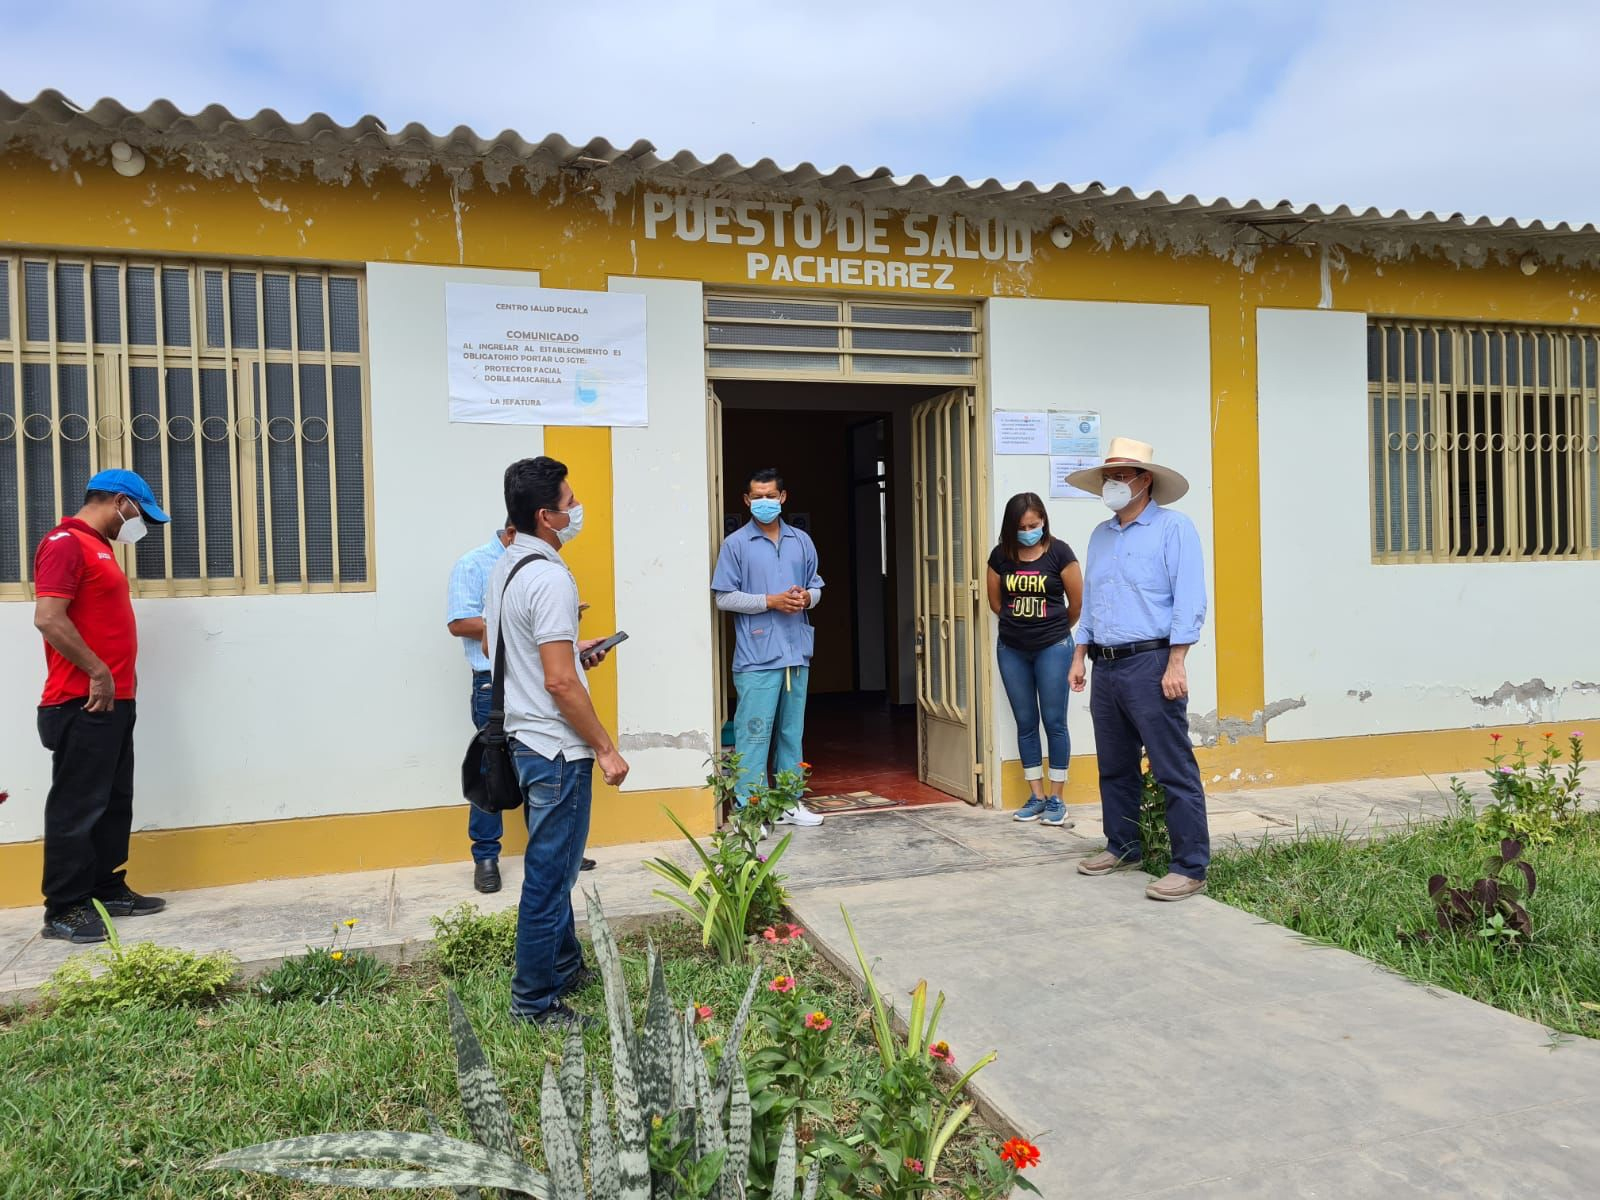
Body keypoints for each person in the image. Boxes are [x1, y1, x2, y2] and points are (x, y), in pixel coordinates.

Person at [487, 456, 627, 1026]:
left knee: (560, 866)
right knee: (548, 878)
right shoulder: (548, 577)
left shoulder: (510, 564)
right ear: (546, 516)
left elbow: (537, 654)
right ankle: (534, 1002)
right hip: (556, 750)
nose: (576, 513)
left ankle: (565, 965)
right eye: (569, 505)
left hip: (525, 739)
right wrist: (604, 746)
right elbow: (559, 681)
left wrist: (573, 647)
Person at [1066, 438, 1211, 901]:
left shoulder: (1174, 529)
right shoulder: (1100, 535)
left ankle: (1189, 866)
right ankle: (1123, 845)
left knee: (1172, 767)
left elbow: (1189, 600)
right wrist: (1078, 654)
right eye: (1108, 477)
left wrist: (1177, 663)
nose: (1113, 484)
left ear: (1145, 480)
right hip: (1105, 665)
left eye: (1121, 476)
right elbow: (1092, 601)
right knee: (1115, 765)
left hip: (1152, 662)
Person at [31, 469, 172, 943]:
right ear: (119, 501)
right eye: (139, 514)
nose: (139, 524)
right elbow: (48, 618)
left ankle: (106, 887)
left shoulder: (98, 547)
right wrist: (97, 670)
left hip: (112, 700)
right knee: (78, 805)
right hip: (80, 700)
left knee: (113, 800)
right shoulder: (65, 543)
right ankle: (64, 908)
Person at [447, 522, 601, 894]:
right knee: (493, 769)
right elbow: (457, 622)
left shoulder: (546, 568)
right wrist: (517, 620)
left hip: (535, 679)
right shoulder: (478, 565)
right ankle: (486, 856)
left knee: (545, 768)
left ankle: (556, 850)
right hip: (494, 684)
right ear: (513, 531)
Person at [710, 468, 825, 828]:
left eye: (770, 496)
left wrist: (808, 597)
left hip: (795, 651)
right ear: (746, 501)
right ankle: (750, 809)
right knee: (755, 733)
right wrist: (769, 601)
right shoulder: (736, 545)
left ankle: (790, 801)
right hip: (757, 657)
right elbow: (723, 597)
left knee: (792, 732)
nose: (764, 502)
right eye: (757, 497)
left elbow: (817, 586)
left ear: (783, 497)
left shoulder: (801, 542)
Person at [986, 492, 1083, 828]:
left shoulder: (1060, 553)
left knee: (1054, 722)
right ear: (1011, 527)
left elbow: (1076, 604)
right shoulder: (1001, 555)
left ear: (1043, 521)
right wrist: (1019, 628)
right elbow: (996, 602)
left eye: (1034, 524)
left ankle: (1057, 798)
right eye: (1022, 526)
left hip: (1053, 647)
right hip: (1012, 649)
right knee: (1025, 722)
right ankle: (1037, 796)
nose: (1029, 530)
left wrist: (1052, 631)